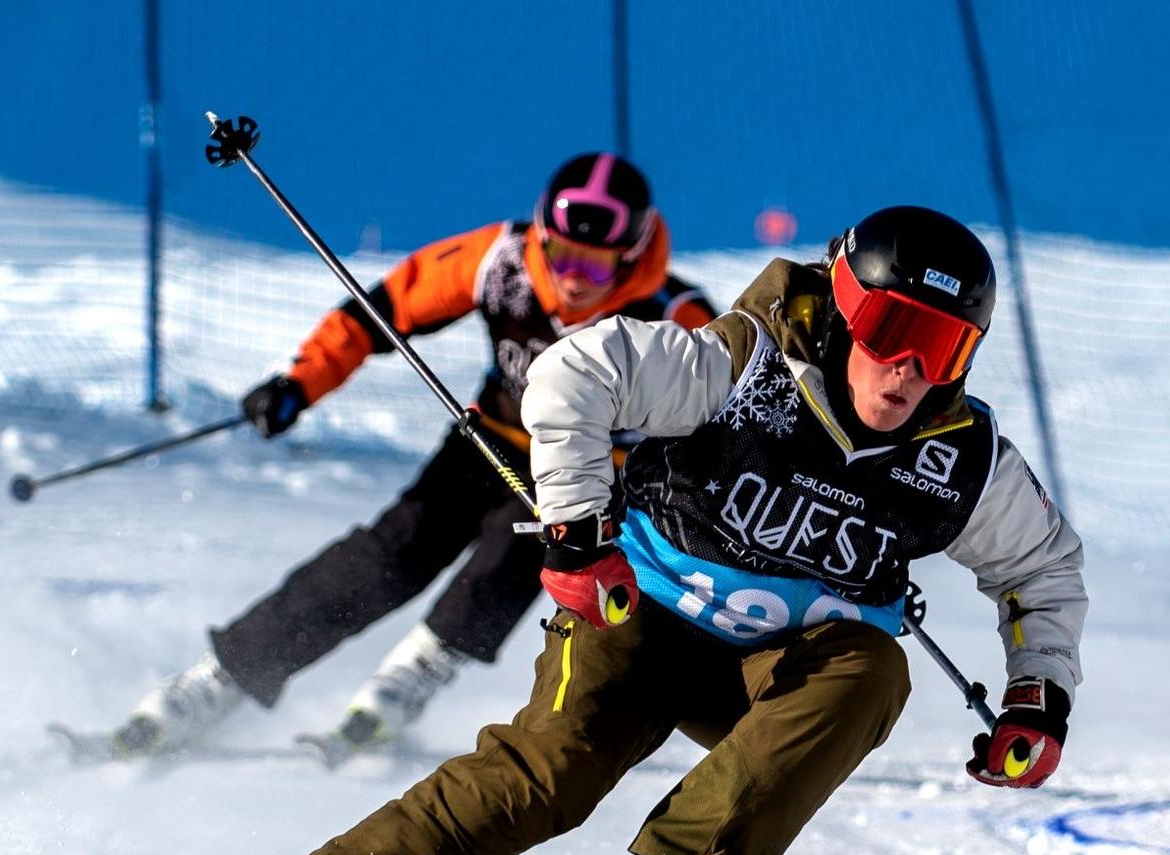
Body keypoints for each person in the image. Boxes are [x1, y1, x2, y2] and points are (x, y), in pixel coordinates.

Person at [226, 205, 1086, 855]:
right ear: (843, 307)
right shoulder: (745, 368)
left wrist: (1035, 696)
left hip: (773, 673)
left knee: (872, 670)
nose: (907, 368)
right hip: (636, 614)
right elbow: (572, 373)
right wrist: (574, 530)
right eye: (889, 327)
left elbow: (1042, 568)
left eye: (939, 345)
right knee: (552, 770)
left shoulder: (957, 459)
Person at [101, 153, 716, 761]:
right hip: (488, 439)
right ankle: (227, 676)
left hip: (590, 470)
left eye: (596, 262)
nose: (574, 277)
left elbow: (731, 412)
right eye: (561, 254)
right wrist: (300, 383)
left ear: (631, 257)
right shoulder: (503, 261)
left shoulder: (671, 315)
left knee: (517, 554)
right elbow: (384, 307)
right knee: (387, 555)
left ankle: (417, 671)